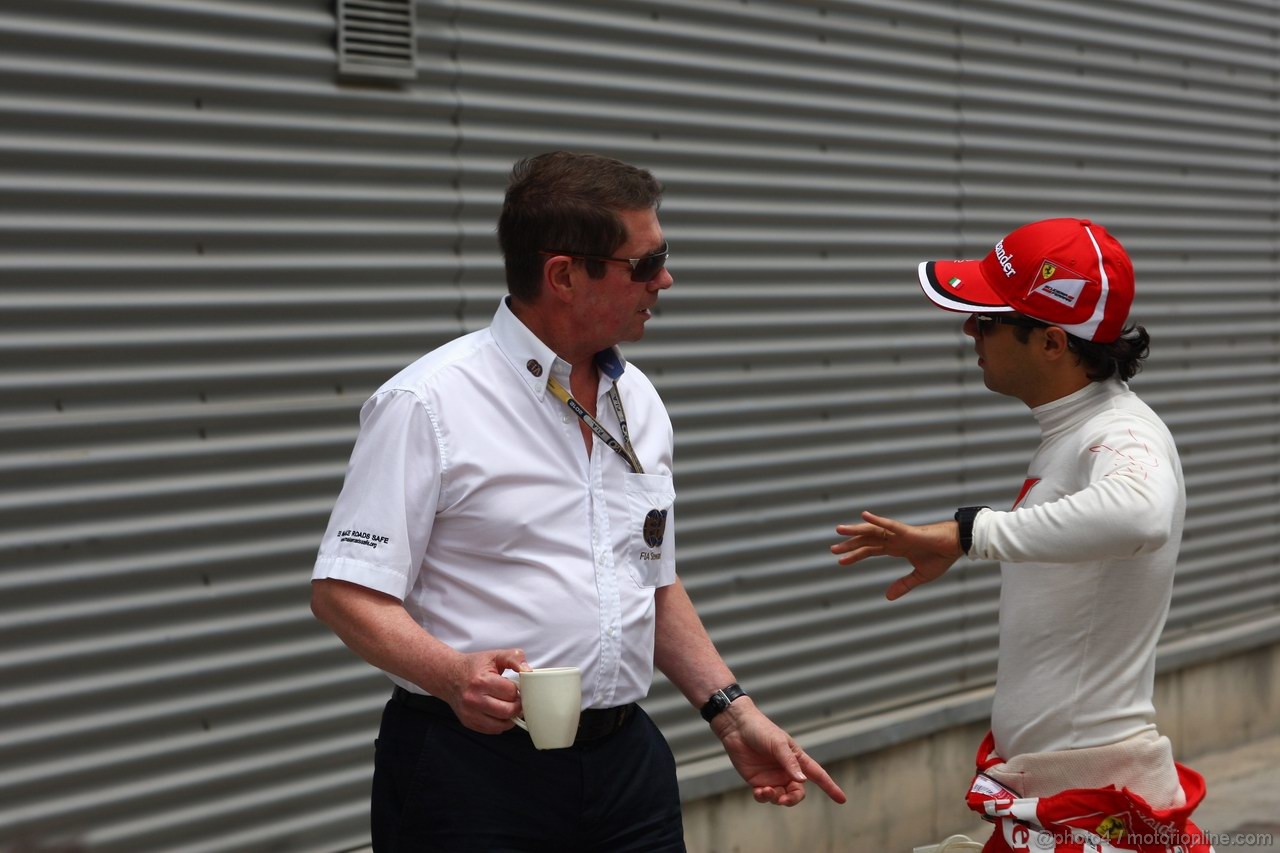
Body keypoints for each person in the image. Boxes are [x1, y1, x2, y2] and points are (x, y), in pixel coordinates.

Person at [311, 150, 846, 852]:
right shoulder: (428, 402)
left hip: (627, 765)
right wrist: (450, 674)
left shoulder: (639, 399)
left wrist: (730, 710)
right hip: (472, 773)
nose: (665, 279)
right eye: (645, 263)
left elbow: (651, 576)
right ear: (564, 274)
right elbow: (343, 591)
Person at [831, 219, 1212, 853]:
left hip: (1089, 798)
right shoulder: (1083, 428)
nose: (968, 331)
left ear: (1053, 342)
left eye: (986, 320)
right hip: (1068, 786)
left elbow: (1139, 516)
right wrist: (968, 534)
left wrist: (967, 534)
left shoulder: (1121, 433)